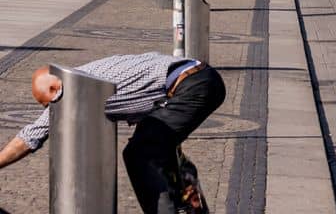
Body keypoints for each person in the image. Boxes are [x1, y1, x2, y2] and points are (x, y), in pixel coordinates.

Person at [0, 52, 227, 212]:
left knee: (141, 153)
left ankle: (173, 205)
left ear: (54, 89)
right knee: (155, 140)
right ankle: (188, 193)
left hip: (191, 85)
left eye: (48, 105)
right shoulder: (89, 73)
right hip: (197, 78)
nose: (50, 112)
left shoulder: (74, 88)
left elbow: (30, 136)